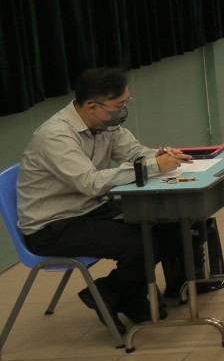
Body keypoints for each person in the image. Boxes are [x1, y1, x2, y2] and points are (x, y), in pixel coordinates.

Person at [18, 68, 191, 330]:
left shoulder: (105, 123)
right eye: (118, 105)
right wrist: (153, 166)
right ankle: (122, 297)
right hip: (53, 225)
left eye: (126, 103)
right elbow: (90, 183)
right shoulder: (56, 136)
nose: (123, 111)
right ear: (92, 106)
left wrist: (160, 156)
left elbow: (133, 151)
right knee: (138, 243)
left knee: (169, 220)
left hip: (92, 208)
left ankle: (110, 292)